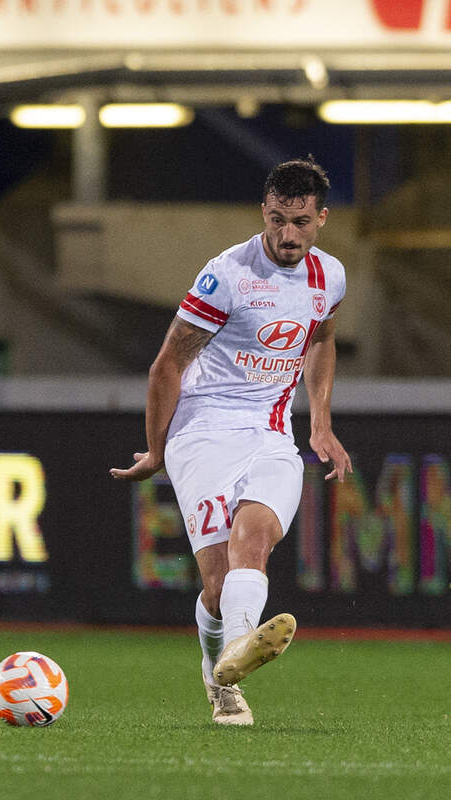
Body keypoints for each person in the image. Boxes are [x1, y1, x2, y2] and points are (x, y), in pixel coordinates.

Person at [109, 157, 352, 726]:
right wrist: (158, 451)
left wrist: (318, 422)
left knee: (257, 539)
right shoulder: (227, 276)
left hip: (271, 431)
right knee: (217, 590)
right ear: (262, 213)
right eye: (275, 220)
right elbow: (166, 365)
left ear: (321, 218)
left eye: (298, 222)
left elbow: (321, 340)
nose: (286, 235)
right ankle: (219, 662)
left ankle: (235, 664)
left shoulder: (330, 277)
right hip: (203, 430)